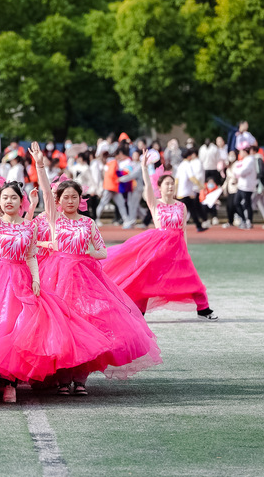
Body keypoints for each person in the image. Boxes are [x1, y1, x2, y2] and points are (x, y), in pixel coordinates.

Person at [0, 141, 113, 402]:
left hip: (23, 280)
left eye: (14, 197)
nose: (9, 201)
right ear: (0, 203)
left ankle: (11, 381)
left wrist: (36, 279)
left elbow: (31, 255)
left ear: (20, 201)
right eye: (5, 198)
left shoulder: (28, 227)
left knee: (20, 329)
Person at [32, 142, 162, 395]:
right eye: (65, 197)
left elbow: (101, 251)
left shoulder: (88, 223)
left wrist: (88, 253)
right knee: (61, 325)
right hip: (55, 277)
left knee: (88, 324)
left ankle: (80, 379)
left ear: (80, 200)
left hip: (84, 279)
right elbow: (46, 192)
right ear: (58, 200)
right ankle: (62, 378)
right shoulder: (53, 218)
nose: (69, 200)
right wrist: (39, 164)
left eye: (74, 197)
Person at [103, 148, 218, 320]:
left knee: (191, 277)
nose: (171, 186)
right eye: (167, 184)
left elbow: (183, 229)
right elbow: (147, 186)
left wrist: (185, 249)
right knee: (148, 279)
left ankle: (203, 309)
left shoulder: (181, 206)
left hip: (177, 248)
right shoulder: (154, 204)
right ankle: (139, 311)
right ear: (160, 187)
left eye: (172, 183)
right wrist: (143, 168)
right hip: (158, 247)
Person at [175, 148, 207, 232]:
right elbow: (192, 177)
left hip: (181, 192)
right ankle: (198, 226)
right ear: (189, 156)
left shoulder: (181, 165)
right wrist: (200, 185)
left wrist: (175, 190)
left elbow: (177, 180)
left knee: (191, 210)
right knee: (188, 211)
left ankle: (198, 226)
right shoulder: (188, 165)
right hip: (186, 193)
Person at [233, 144, 258, 229]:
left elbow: (242, 172)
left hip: (247, 186)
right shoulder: (243, 161)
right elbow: (235, 170)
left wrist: (238, 172)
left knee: (247, 204)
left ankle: (249, 221)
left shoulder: (250, 160)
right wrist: (238, 172)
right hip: (241, 185)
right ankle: (243, 219)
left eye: (241, 151)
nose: (240, 153)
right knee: (236, 202)